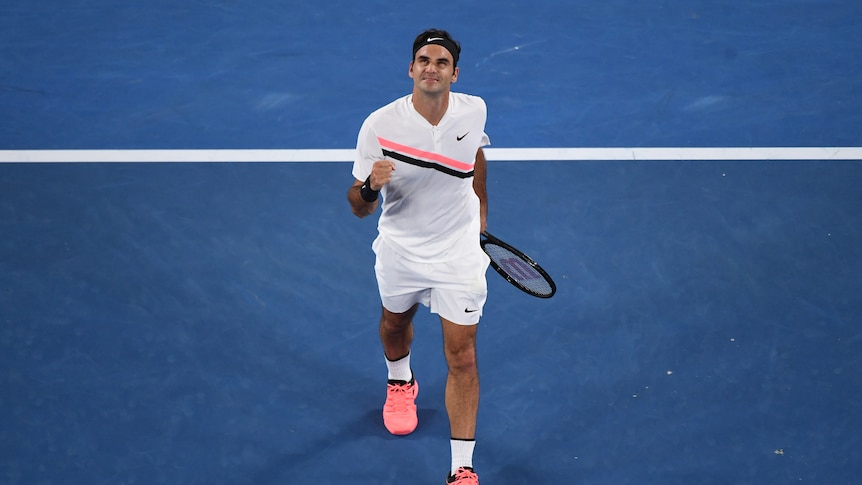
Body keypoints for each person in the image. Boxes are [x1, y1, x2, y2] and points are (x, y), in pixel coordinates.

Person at [347, 29, 490, 485]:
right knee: (394, 326)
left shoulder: (474, 109)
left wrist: (480, 210)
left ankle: (461, 468)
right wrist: (371, 184)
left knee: (462, 356)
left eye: (442, 61)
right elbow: (357, 206)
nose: (432, 67)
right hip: (401, 250)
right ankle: (400, 381)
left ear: (454, 73)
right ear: (411, 69)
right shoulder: (379, 125)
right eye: (424, 60)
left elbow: (475, 152)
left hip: (458, 253)